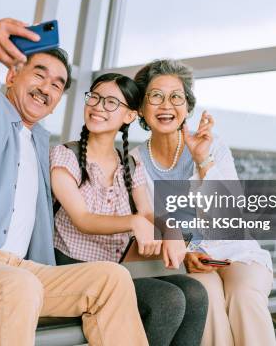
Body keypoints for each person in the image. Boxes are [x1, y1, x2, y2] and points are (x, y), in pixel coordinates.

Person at [0, 18, 148, 346]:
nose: (46, 88)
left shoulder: (40, 142)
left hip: (22, 270)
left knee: (112, 279)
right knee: (18, 285)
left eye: (57, 84)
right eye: (39, 73)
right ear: (12, 75)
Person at [50, 72, 208, 346]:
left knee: (195, 293)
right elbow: (83, 219)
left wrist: (169, 230)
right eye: (95, 98)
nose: (99, 106)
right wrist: (132, 222)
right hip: (71, 270)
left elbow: (146, 213)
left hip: (115, 272)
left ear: (130, 116)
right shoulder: (66, 155)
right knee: (165, 300)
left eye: (111, 102)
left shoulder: (130, 165)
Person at [131, 59, 276, 346]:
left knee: (244, 296)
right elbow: (149, 226)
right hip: (183, 261)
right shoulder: (135, 161)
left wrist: (203, 160)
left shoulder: (213, 146)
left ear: (187, 107)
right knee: (205, 298)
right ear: (140, 108)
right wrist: (185, 255)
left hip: (235, 251)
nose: (166, 105)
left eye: (176, 97)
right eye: (156, 96)